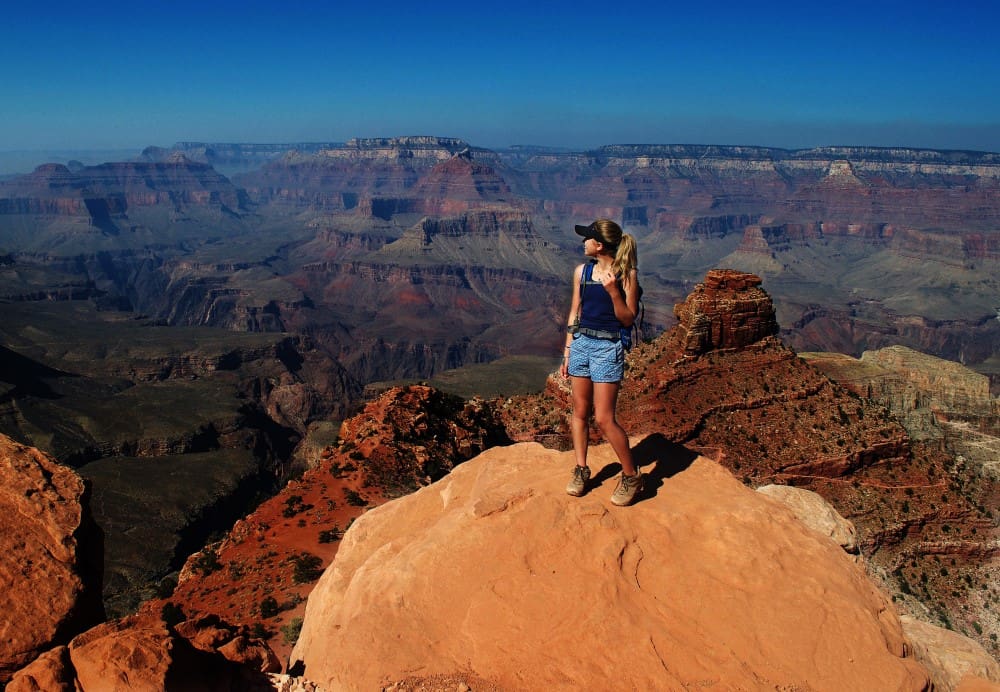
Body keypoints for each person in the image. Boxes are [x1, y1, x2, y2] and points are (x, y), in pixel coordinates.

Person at [559, 219, 642, 506]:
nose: (583, 243)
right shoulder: (582, 272)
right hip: (582, 343)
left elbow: (628, 319)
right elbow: (574, 313)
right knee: (579, 410)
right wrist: (567, 352)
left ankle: (631, 475)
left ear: (599, 245)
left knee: (605, 418)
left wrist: (613, 292)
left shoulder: (626, 276)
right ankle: (581, 469)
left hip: (608, 347)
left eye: (587, 239)